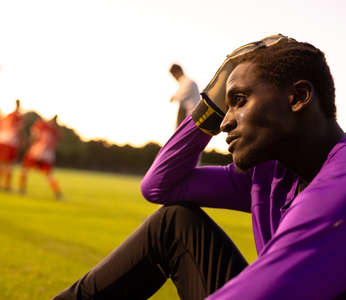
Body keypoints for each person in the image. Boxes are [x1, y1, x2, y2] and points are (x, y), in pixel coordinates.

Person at [54, 35, 346, 299]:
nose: (224, 122)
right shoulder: (270, 176)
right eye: (225, 106)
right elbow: (159, 185)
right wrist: (209, 105)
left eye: (239, 101)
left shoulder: (341, 180)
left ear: (297, 97)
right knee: (173, 223)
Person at [19, 115, 62, 199]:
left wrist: (31, 143)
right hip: (48, 154)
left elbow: (34, 135)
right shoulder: (55, 131)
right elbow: (56, 144)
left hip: (38, 150)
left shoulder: (42, 125)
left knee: (25, 169)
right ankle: (57, 193)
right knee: (48, 175)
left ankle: (22, 188)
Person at [0, 99, 23, 191]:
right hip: (10, 141)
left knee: (0, 162)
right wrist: (22, 139)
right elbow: (19, 129)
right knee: (9, 164)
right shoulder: (17, 116)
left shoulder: (7, 116)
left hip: (2, 140)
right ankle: (6, 185)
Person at [169, 64, 200, 128]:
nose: (175, 78)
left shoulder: (188, 82)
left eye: (174, 75)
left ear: (178, 72)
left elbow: (179, 96)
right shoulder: (183, 83)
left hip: (191, 116)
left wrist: (173, 97)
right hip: (188, 116)